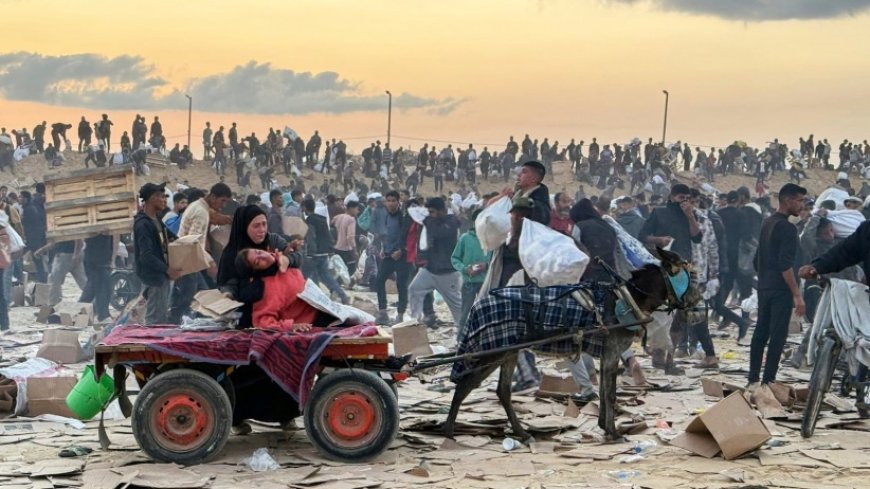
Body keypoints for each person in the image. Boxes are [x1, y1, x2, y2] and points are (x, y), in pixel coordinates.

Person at [638, 183, 702, 374]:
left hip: (682, 269)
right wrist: (659, 240)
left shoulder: (690, 215)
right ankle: (658, 354)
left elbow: (697, 237)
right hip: (661, 269)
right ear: (672, 197)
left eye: (686, 197)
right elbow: (643, 236)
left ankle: (669, 358)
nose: (683, 200)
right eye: (680, 196)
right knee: (661, 314)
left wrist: (690, 215)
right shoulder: (659, 213)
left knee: (679, 316)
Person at [748, 183, 807, 390]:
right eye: (799, 200)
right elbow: (785, 264)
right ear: (788, 200)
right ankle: (768, 381)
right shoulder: (788, 228)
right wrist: (797, 295)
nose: (802, 205)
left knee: (761, 333)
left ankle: (753, 379)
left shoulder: (768, 222)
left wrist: (765, 279)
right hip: (781, 289)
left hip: (764, 287)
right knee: (778, 336)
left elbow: (757, 260)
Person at [217, 205, 298, 328]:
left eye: (264, 224)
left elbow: (296, 256)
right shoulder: (232, 252)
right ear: (244, 227)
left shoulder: (273, 240)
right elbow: (229, 282)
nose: (262, 230)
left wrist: (287, 259)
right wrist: (228, 294)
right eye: (256, 226)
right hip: (248, 313)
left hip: (280, 308)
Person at [170, 183, 233, 323]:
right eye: (222, 201)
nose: (222, 206)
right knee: (187, 299)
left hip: (190, 259)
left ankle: (201, 324)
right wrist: (209, 261)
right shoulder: (201, 212)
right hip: (188, 259)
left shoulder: (198, 207)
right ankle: (172, 324)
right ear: (213, 196)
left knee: (204, 294)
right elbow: (192, 242)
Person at [409, 197, 463, 325]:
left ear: (442, 211)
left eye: (432, 212)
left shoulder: (451, 222)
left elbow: (439, 233)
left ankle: (464, 333)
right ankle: (413, 323)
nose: (430, 215)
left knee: (457, 307)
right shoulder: (432, 221)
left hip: (447, 272)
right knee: (415, 289)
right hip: (431, 269)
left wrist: (427, 220)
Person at [133, 183, 182, 324]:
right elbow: (146, 256)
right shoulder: (143, 224)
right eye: (162, 197)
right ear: (152, 198)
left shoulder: (157, 220)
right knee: (154, 319)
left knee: (161, 317)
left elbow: (171, 237)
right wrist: (167, 269)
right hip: (154, 278)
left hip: (162, 276)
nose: (164, 200)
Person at [301, 198, 349, 304]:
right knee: (325, 276)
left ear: (304, 207)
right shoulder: (322, 218)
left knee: (304, 276)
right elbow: (328, 235)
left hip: (314, 253)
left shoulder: (310, 220)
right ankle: (342, 295)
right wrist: (330, 249)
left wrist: (309, 253)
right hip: (323, 252)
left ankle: (315, 298)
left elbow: (311, 237)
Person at [451, 209, 491, 334]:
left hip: (486, 282)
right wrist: (465, 269)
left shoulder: (491, 239)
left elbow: (496, 260)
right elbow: (455, 258)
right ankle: (460, 339)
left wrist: (486, 265)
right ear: (474, 222)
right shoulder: (465, 238)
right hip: (469, 282)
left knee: (486, 313)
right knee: (465, 313)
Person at [374, 191, 410, 324]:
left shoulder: (403, 217)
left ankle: (400, 315)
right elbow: (387, 235)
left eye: (393, 200)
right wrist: (384, 249)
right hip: (389, 255)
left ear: (398, 202)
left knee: (401, 285)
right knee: (379, 281)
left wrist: (401, 250)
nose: (390, 203)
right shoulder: (386, 216)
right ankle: (383, 313)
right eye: (388, 200)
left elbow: (408, 236)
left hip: (401, 256)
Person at [333, 200, 360, 276]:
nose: (357, 211)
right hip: (347, 250)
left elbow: (331, 226)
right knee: (351, 272)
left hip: (337, 248)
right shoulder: (351, 219)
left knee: (340, 272)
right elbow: (350, 237)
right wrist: (355, 250)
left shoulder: (338, 217)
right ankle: (350, 286)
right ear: (351, 208)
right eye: (357, 209)